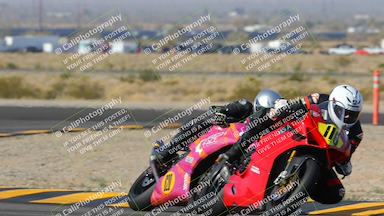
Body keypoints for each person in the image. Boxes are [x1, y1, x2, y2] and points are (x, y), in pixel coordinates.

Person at [218, 85, 364, 204]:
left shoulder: (356, 132)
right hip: (301, 133)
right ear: (334, 103)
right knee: (271, 114)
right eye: (344, 112)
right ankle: (234, 152)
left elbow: (347, 154)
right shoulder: (320, 98)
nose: (347, 117)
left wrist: (345, 162)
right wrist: (285, 106)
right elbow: (301, 104)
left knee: (336, 194)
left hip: (322, 154)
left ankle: (296, 188)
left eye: (352, 114)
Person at [152, 89, 282, 168]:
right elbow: (224, 109)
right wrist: (221, 113)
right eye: (266, 111)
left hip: (232, 150)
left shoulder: (266, 128)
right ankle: (167, 151)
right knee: (205, 120)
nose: (267, 115)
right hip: (216, 136)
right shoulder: (245, 107)